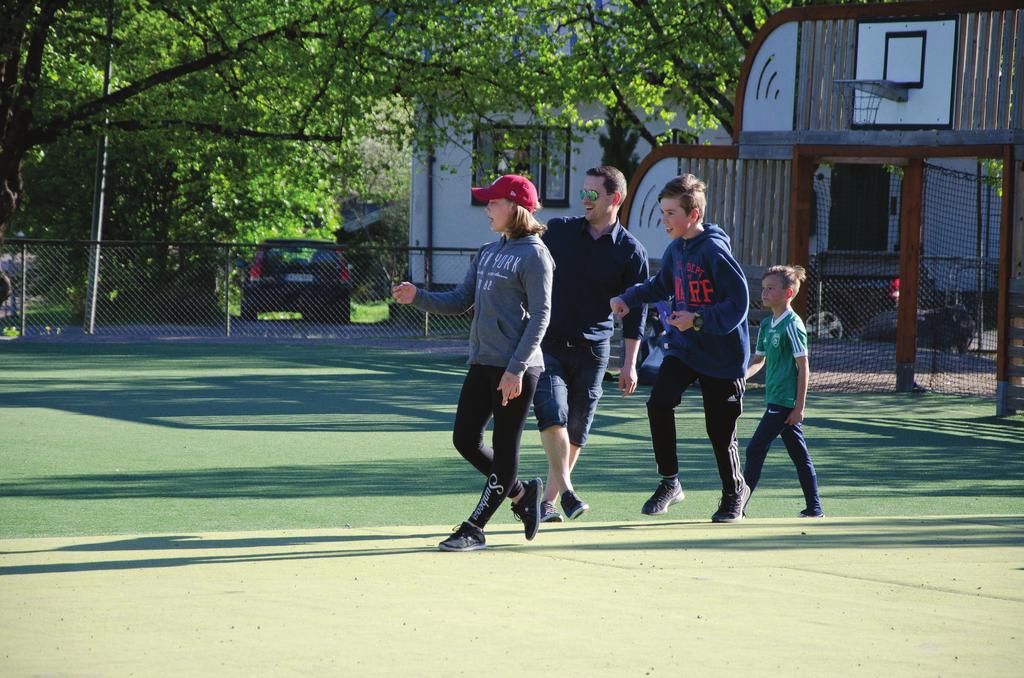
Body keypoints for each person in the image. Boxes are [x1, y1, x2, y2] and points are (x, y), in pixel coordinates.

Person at [392, 174, 554, 552]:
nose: (487, 209)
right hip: (483, 362)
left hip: (517, 368)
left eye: (493, 202)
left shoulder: (535, 254)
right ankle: (523, 492)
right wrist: (418, 296)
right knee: (464, 439)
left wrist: (516, 369)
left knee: (505, 447)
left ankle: (475, 527)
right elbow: (460, 300)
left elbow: (542, 316)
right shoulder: (488, 251)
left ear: (515, 207)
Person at [610, 173, 751, 523]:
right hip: (684, 349)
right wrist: (628, 297)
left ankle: (735, 491)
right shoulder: (676, 250)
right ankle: (670, 482)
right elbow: (660, 286)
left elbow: (739, 305)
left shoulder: (715, 251)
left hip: (722, 357)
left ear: (694, 215)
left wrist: (697, 319)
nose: (664, 220)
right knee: (659, 403)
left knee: (720, 433)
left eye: (671, 213)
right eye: (663, 212)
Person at [534, 165, 649, 523]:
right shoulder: (559, 231)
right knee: (554, 414)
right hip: (549, 344)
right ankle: (564, 496)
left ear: (614, 198)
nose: (583, 200)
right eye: (581, 192)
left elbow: (636, 312)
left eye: (591, 194)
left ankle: (548, 502)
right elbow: (525, 251)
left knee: (577, 429)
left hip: (594, 351)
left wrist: (629, 363)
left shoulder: (632, 252)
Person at [742, 265, 823, 518]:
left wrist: (799, 407)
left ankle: (737, 506)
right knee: (799, 455)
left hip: (785, 401)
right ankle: (815, 508)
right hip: (775, 399)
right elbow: (759, 360)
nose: (764, 293)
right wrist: (739, 378)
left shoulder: (793, 324)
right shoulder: (767, 324)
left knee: (755, 449)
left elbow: (803, 365)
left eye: (771, 289)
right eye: (763, 288)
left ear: (788, 293)